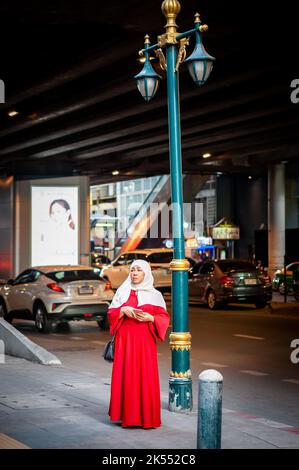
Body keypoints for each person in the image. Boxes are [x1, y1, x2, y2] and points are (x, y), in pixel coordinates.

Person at [107, 259, 170, 429]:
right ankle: (127, 416)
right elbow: (111, 312)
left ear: (146, 273)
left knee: (145, 375)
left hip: (145, 342)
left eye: (138, 270)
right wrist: (122, 310)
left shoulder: (155, 295)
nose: (134, 273)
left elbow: (163, 317)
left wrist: (152, 318)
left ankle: (146, 418)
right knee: (126, 375)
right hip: (125, 342)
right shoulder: (122, 291)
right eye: (132, 270)